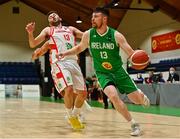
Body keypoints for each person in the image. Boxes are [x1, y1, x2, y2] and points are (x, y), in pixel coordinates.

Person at [57, 7, 150, 136]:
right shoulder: (89, 34)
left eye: (96, 17)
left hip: (118, 71)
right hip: (102, 73)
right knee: (113, 96)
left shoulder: (116, 35)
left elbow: (131, 53)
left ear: (104, 19)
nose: (92, 19)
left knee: (136, 100)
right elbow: (79, 48)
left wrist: (141, 60)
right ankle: (134, 124)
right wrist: (65, 53)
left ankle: (141, 96)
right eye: (92, 17)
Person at [26, 11, 88, 130]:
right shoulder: (48, 30)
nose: (52, 16)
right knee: (68, 89)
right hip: (59, 62)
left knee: (83, 93)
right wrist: (30, 33)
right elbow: (33, 44)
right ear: (49, 22)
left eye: (54, 14)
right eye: (49, 16)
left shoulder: (71, 29)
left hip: (73, 62)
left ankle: (74, 115)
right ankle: (71, 116)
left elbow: (86, 36)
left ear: (60, 17)